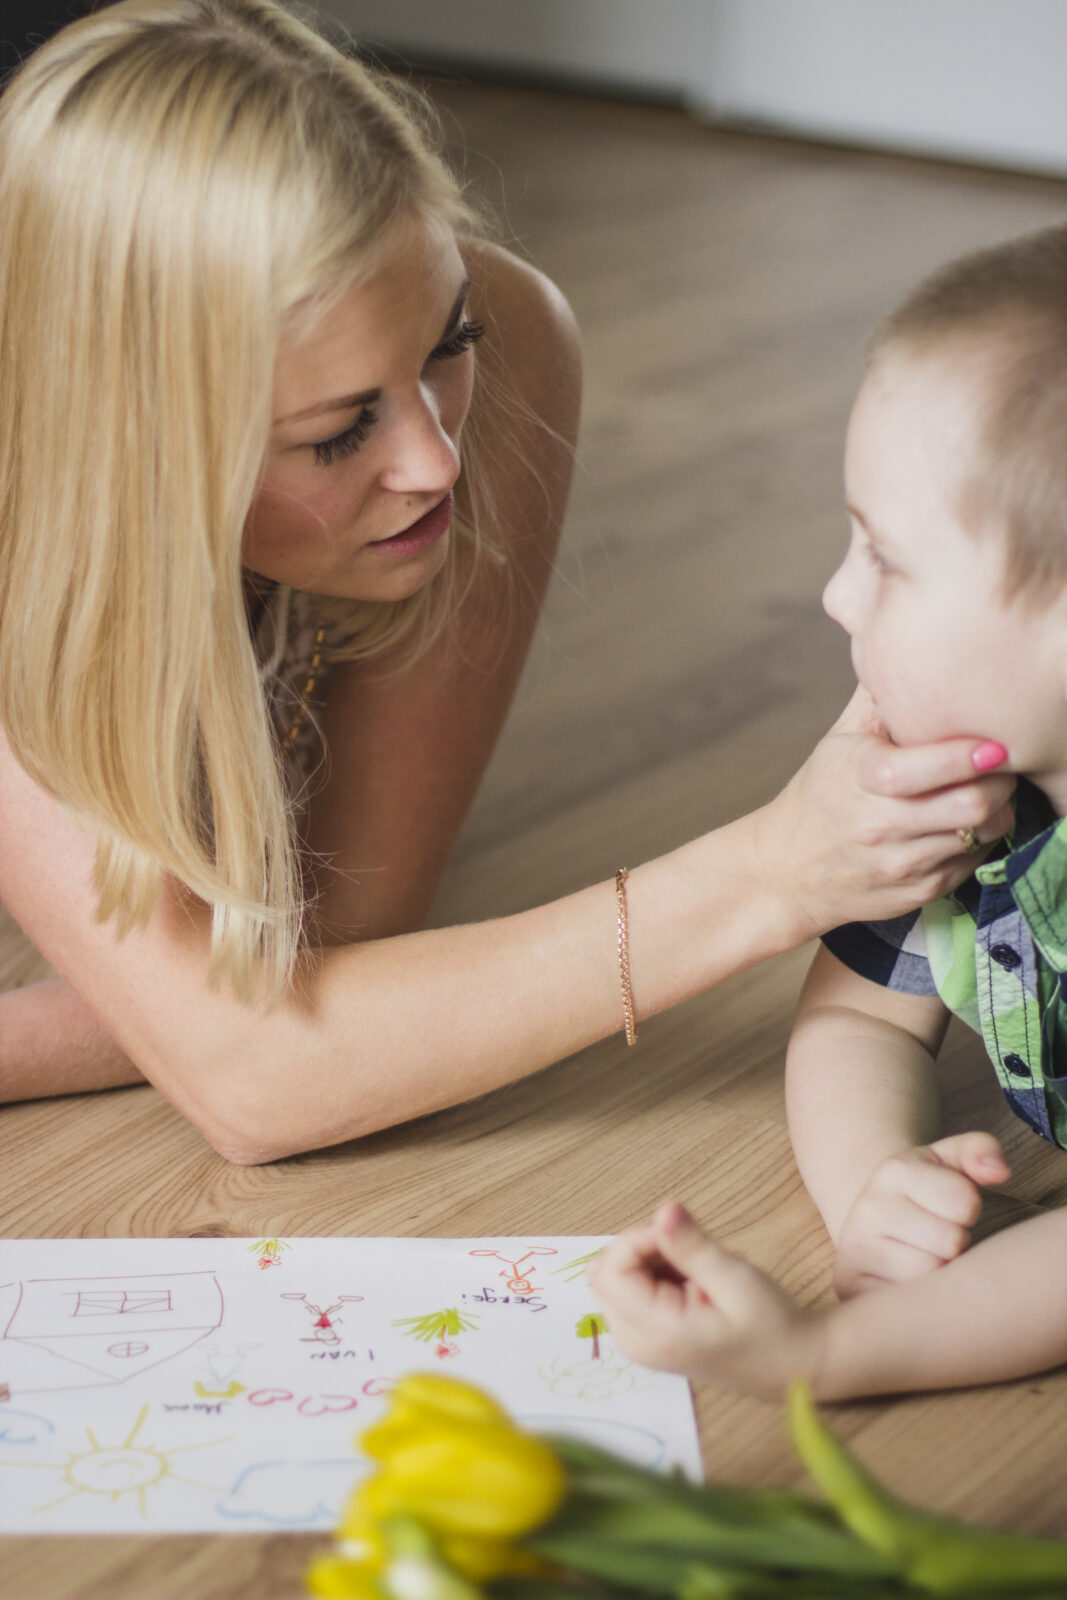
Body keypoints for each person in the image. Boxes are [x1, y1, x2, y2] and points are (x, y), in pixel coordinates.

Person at [0, 0, 1012, 1166]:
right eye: (338, 433)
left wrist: (190, 1015)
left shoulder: (512, 332)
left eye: (445, 343)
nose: (437, 460)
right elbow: (258, 1081)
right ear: (136, 455)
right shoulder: (41, 498)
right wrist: (767, 874)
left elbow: (339, 949)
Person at [592, 223, 1067, 1400]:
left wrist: (825, 1352)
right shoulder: (963, 799)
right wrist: (877, 1180)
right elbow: (858, 1022)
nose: (832, 590)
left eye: (886, 559)